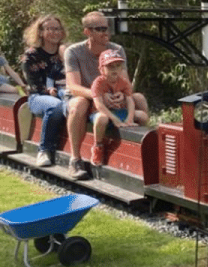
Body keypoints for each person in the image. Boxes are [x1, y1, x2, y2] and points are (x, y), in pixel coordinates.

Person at [63, 11, 149, 180]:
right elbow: (73, 87)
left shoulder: (117, 49)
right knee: (79, 103)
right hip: (85, 96)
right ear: (87, 32)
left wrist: (121, 95)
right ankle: (75, 159)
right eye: (100, 28)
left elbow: (126, 83)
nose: (106, 32)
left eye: (107, 28)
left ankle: (141, 150)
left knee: (139, 98)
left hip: (111, 97)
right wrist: (99, 96)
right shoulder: (73, 51)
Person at [20, 14, 68, 167]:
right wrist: (50, 91)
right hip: (38, 97)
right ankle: (44, 150)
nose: (55, 32)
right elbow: (33, 85)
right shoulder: (30, 56)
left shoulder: (65, 53)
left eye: (57, 29)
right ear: (40, 32)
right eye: (50, 29)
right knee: (56, 106)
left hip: (64, 92)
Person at [89, 49, 150, 166]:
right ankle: (98, 146)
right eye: (110, 66)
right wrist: (114, 119)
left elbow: (130, 101)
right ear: (102, 69)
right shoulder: (98, 83)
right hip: (102, 114)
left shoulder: (124, 82)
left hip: (119, 112)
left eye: (117, 66)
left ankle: (144, 144)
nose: (115, 69)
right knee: (102, 118)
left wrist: (130, 119)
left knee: (142, 115)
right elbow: (99, 105)